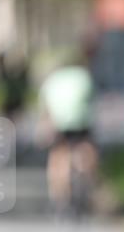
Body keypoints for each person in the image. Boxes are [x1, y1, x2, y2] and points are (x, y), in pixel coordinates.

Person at [37, 61, 98, 217]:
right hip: (80, 121)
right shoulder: (84, 76)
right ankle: (86, 176)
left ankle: (58, 196)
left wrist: (44, 129)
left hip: (58, 123)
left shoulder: (52, 80)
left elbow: (45, 108)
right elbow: (92, 100)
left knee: (58, 155)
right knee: (84, 148)